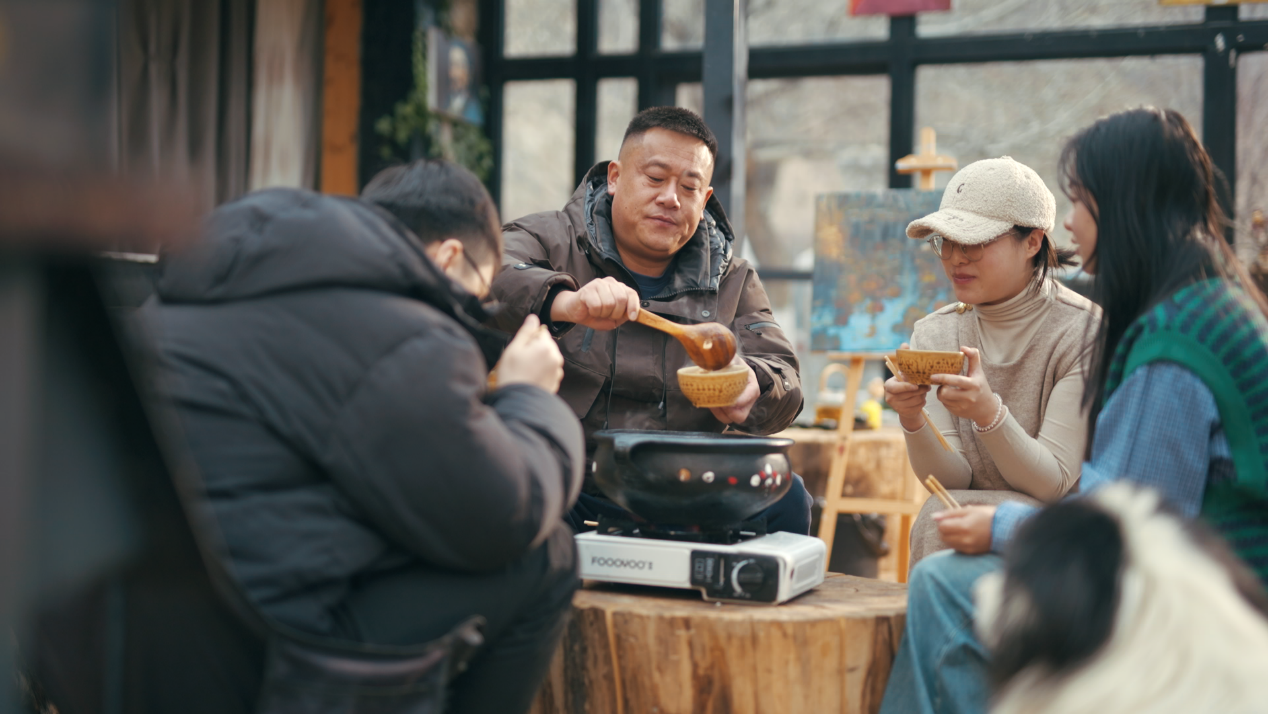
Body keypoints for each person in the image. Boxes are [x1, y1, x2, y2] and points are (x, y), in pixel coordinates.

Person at [142, 160, 583, 714]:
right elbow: (502, 514)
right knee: (547, 555)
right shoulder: (398, 327)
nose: (468, 320)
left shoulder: (213, 286)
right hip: (257, 656)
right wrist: (529, 396)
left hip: (120, 641)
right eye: (475, 300)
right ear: (449, 258)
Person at [879, 107, 1268, 714]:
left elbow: (1127, 525)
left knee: (944, 585)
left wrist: (1000, 511)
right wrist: (913, 418)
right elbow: (1123, 503)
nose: (1071, 223)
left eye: (1082, 202)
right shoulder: (1204, 308)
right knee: (942, 543)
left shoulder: (1165, 341)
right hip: (1191, 586)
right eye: (945, 241)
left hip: (1210, 616)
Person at [490, 106, 811, 534]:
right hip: (570, 478)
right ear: (615, 177)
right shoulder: (550, 238)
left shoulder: (733, 279)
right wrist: (567, 302)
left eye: (689, 187)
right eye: (655, 178)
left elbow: (784, 374)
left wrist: (754, 384)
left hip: (686, 483)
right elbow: (488, 275)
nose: (670, 198)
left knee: (788, 498)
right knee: (515, 490)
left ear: (705, 199)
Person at [886, 156, 1097, 565]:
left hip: (1054, 543)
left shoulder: (1082, 332)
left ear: (1033, 242)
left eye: (973, 242)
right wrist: (912, 419)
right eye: (944, 241)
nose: (954, 258)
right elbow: (952, 481)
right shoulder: (934, 334)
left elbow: (1052, 484)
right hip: (960, 527)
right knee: (936, 514)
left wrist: (988, 413)